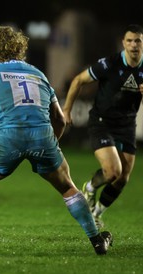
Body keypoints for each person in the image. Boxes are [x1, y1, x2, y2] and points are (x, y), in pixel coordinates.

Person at [0, 26, 112, 255]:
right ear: (19, 49)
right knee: (68, 188)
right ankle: (96, 240)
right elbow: (60, 120)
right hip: (43, 137)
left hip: (8, 139)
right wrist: (50, 144)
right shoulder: (38, 74)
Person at [62, 24, 143, 229]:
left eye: (138, 41)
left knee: (122, 178)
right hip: (102, 122)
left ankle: (97, 213)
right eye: (130, 40)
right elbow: (79, 80)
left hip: (127, 125)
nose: (134, 45)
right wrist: (66, 110)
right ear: (123, 43)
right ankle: (89, 187)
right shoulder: (110, 64)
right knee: (112, 172)